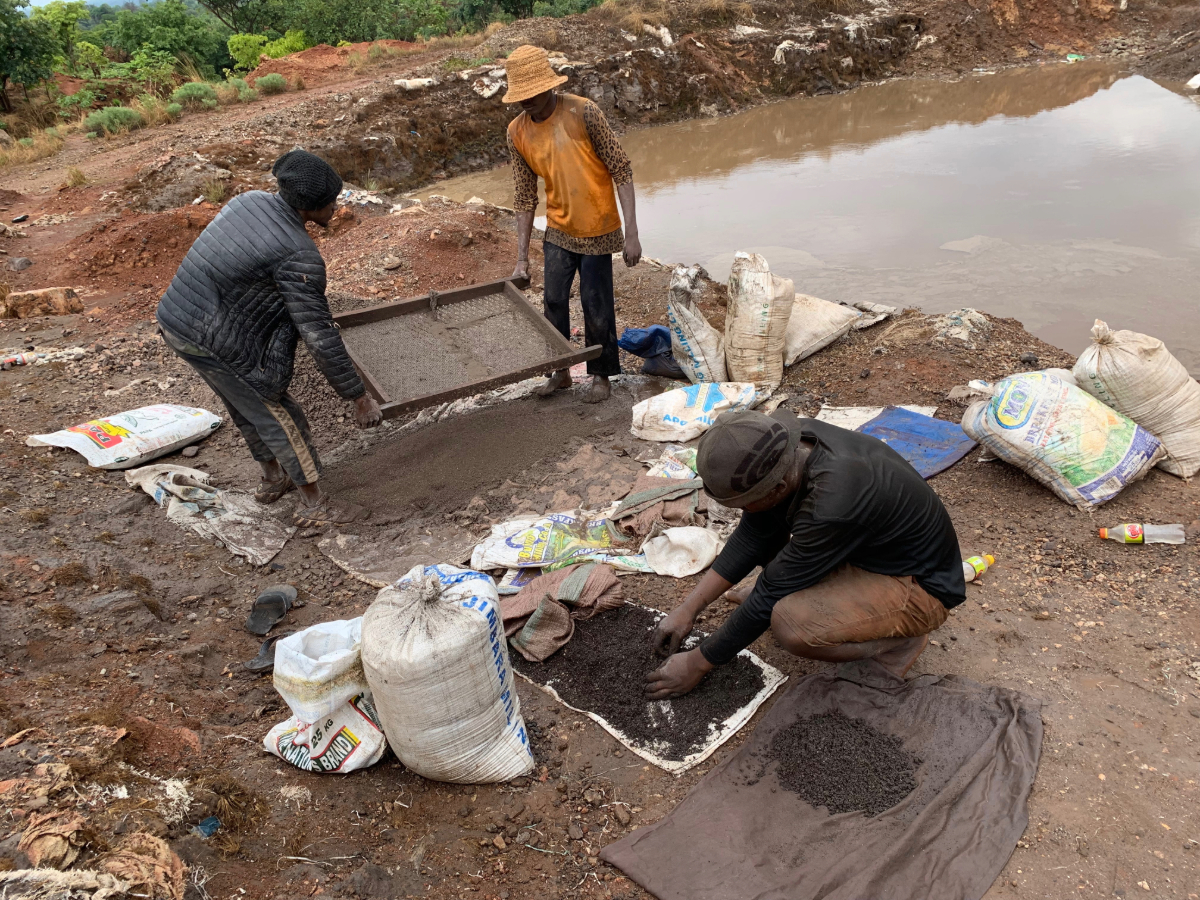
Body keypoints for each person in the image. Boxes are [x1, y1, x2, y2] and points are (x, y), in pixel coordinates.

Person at [644, 409, 966, 700]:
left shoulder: (832, 503)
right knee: (772, 557)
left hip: (920, 586)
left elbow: (769, 595)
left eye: (744, 504)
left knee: (791, 624)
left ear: (778, 487)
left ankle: (901, 641)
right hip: (867, 551)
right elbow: (754, 535)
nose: (743, 511)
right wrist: (687, 609)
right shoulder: (782, 444)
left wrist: (698, 662)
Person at [156, 149, 382, 527]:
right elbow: (318, 334)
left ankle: (273, 479)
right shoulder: (298, 254)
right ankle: (314, 506)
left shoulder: (248, 201)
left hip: (178, 322)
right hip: (209, 335)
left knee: (243, 404)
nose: (335, 207)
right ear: (309, 205)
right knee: (278, 414)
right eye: (331, 201)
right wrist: (358, 396)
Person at [503, 44, 642, 404]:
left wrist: (632, 234)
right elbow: (524, 197)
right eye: (522, 96)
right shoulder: (517, 132)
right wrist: (521, 259)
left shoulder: (583, 112)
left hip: (598, 226)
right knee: (553, 300)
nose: (527, 101)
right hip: (559, 228)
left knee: (595, 302)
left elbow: (621, 169)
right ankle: (560, 372)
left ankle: (601, 375)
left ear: (549, 86)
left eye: (533, 93)